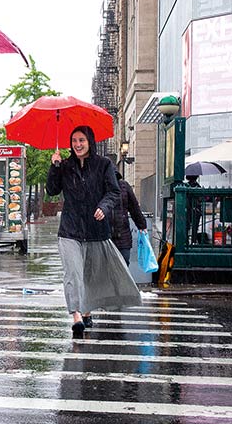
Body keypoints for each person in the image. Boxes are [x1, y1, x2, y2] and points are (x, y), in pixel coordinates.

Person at [46, 125, 141, 338]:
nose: (77, 145)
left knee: (89, 275)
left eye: (81, 140)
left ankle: (87, 310)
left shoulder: (104, 165)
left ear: (90, 142)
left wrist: (103, 207)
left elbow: (114, 192)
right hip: (70, 230)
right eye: (74, 141)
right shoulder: (65, 165)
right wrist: (54, 167)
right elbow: (52, 190)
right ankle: (77, 316)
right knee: (73, 273)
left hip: (95, 230)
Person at [112, 170, 148, 265]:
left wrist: (142, 225)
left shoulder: (123, 186)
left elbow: (134, 207)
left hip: (121, 234)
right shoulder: (98, 186)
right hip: (108, 236)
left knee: (123, 263)